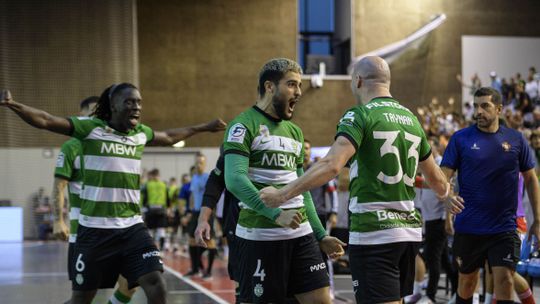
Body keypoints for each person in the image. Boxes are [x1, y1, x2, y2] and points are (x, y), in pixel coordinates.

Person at [0, 83, 226, 304]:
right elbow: (46, 120)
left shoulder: (139, 133)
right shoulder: (90, 129)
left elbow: (168, 136)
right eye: (129, 101)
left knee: (156, 284)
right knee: (82, 298)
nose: (136, 107)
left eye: (138, 102)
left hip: (132, 228)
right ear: (114, 105)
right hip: (95, 231)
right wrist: (12, 104)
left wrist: (204, 127)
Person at [259, 56, 452, 304]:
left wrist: (282, 194)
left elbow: (331, 165)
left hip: (374, 233)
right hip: (407, 235)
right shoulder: (412, 120)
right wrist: (449, 197)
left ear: (358, 80)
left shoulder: (359, 116)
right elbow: (437, 181)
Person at [223, 58, 345, 304]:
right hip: (259, 238)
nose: (299, 92)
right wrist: (276, 214)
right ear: (269, 87)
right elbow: (234, 180)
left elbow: (304, 190)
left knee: (322, 300)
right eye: (292, 85)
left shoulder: (295, 132)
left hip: (301, 237)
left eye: (299, 86)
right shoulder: (242, 125)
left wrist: (321, 236)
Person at [440, 87, 540, 304]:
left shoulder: (516, 140)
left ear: (499, 109)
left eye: (485, 106)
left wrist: (538, 221)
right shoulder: (460, 139)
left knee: (505, 281)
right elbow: (442, 176)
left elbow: (532, 179)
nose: (479, 111)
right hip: (469, 228)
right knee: (467, 284)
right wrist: (446, 196)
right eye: (476, 106)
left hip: (504, 228)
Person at [184, 154, 218, 279]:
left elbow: (212, 195)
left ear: (204, 164)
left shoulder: (207, 177)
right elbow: (193, 196)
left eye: (201, 163)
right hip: (195, 212)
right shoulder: (194, 177)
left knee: (210, 241)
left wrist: (211, 214)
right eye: (197, 162)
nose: (198, 165)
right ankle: (195, 269)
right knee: (191, 240)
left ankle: (208, 271)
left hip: (206, 212)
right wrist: (189, 212)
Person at [142, 168, 170, 251]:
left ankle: (150, 249)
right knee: (161, 231)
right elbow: (167, 198)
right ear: (159, 175)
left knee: (150, 231)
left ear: (152, 175)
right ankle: (161, 250)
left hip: (151, 210)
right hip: (161, 210)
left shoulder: (148, 184)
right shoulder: (164, 185)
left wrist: (144, 208)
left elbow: (145, 198)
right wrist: (168, 208)